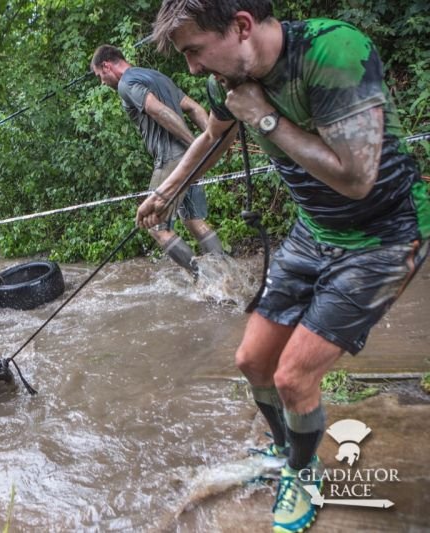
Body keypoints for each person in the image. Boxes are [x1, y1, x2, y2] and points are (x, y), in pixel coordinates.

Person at [136, 3, 430, 531]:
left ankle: (302, 470)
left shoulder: (332, 50)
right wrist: (167, 189)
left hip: (383, 238)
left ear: (242, 26)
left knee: (294, 378)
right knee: (252, 361)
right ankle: (281, 447)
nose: (195, 69)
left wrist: (266, 117)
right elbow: (214, 136)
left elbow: (357, 178)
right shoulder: (232, 78)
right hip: (313, 232)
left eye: (195, 51)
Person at [91, 44, 223, 275]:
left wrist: (196, 145)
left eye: (99, 76)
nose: (102, 82)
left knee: (155, 227)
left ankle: (204, 279)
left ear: (106, 65)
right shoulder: (157, 76)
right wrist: (213, 140)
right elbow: (193, 108)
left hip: (171, 159)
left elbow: (156, 110)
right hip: (189, 160)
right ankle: (226, 275)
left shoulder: (126, 83)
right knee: (193, 221)